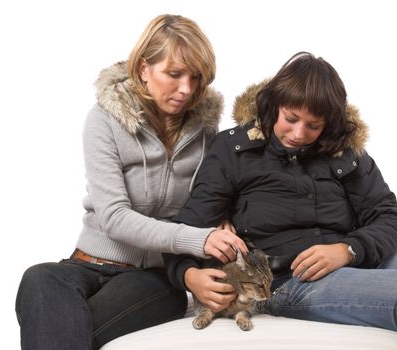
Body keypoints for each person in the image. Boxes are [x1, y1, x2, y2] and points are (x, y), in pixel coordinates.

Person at [164, 51, 397, 350]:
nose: (298, 133)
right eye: (290, 119)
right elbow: (185, 227)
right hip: (290, 281)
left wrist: (348, 250)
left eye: (313, 125)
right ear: (274, 106)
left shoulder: (344, 152)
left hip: (356, 261)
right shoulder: (235, 148)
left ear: (330, 123)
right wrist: (189, 276)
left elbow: (389, 218)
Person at [15, 14, 247, 350]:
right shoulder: (103, 121)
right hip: (87, 262)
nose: (187, 89)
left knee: (59, 325)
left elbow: (213, 199)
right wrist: (199, 238)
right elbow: (113, 216)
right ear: (143, 69)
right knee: (39, 277)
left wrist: (222, 218)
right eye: (174, 74)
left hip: (153, 278)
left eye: (196, 78)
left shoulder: (207, 136)